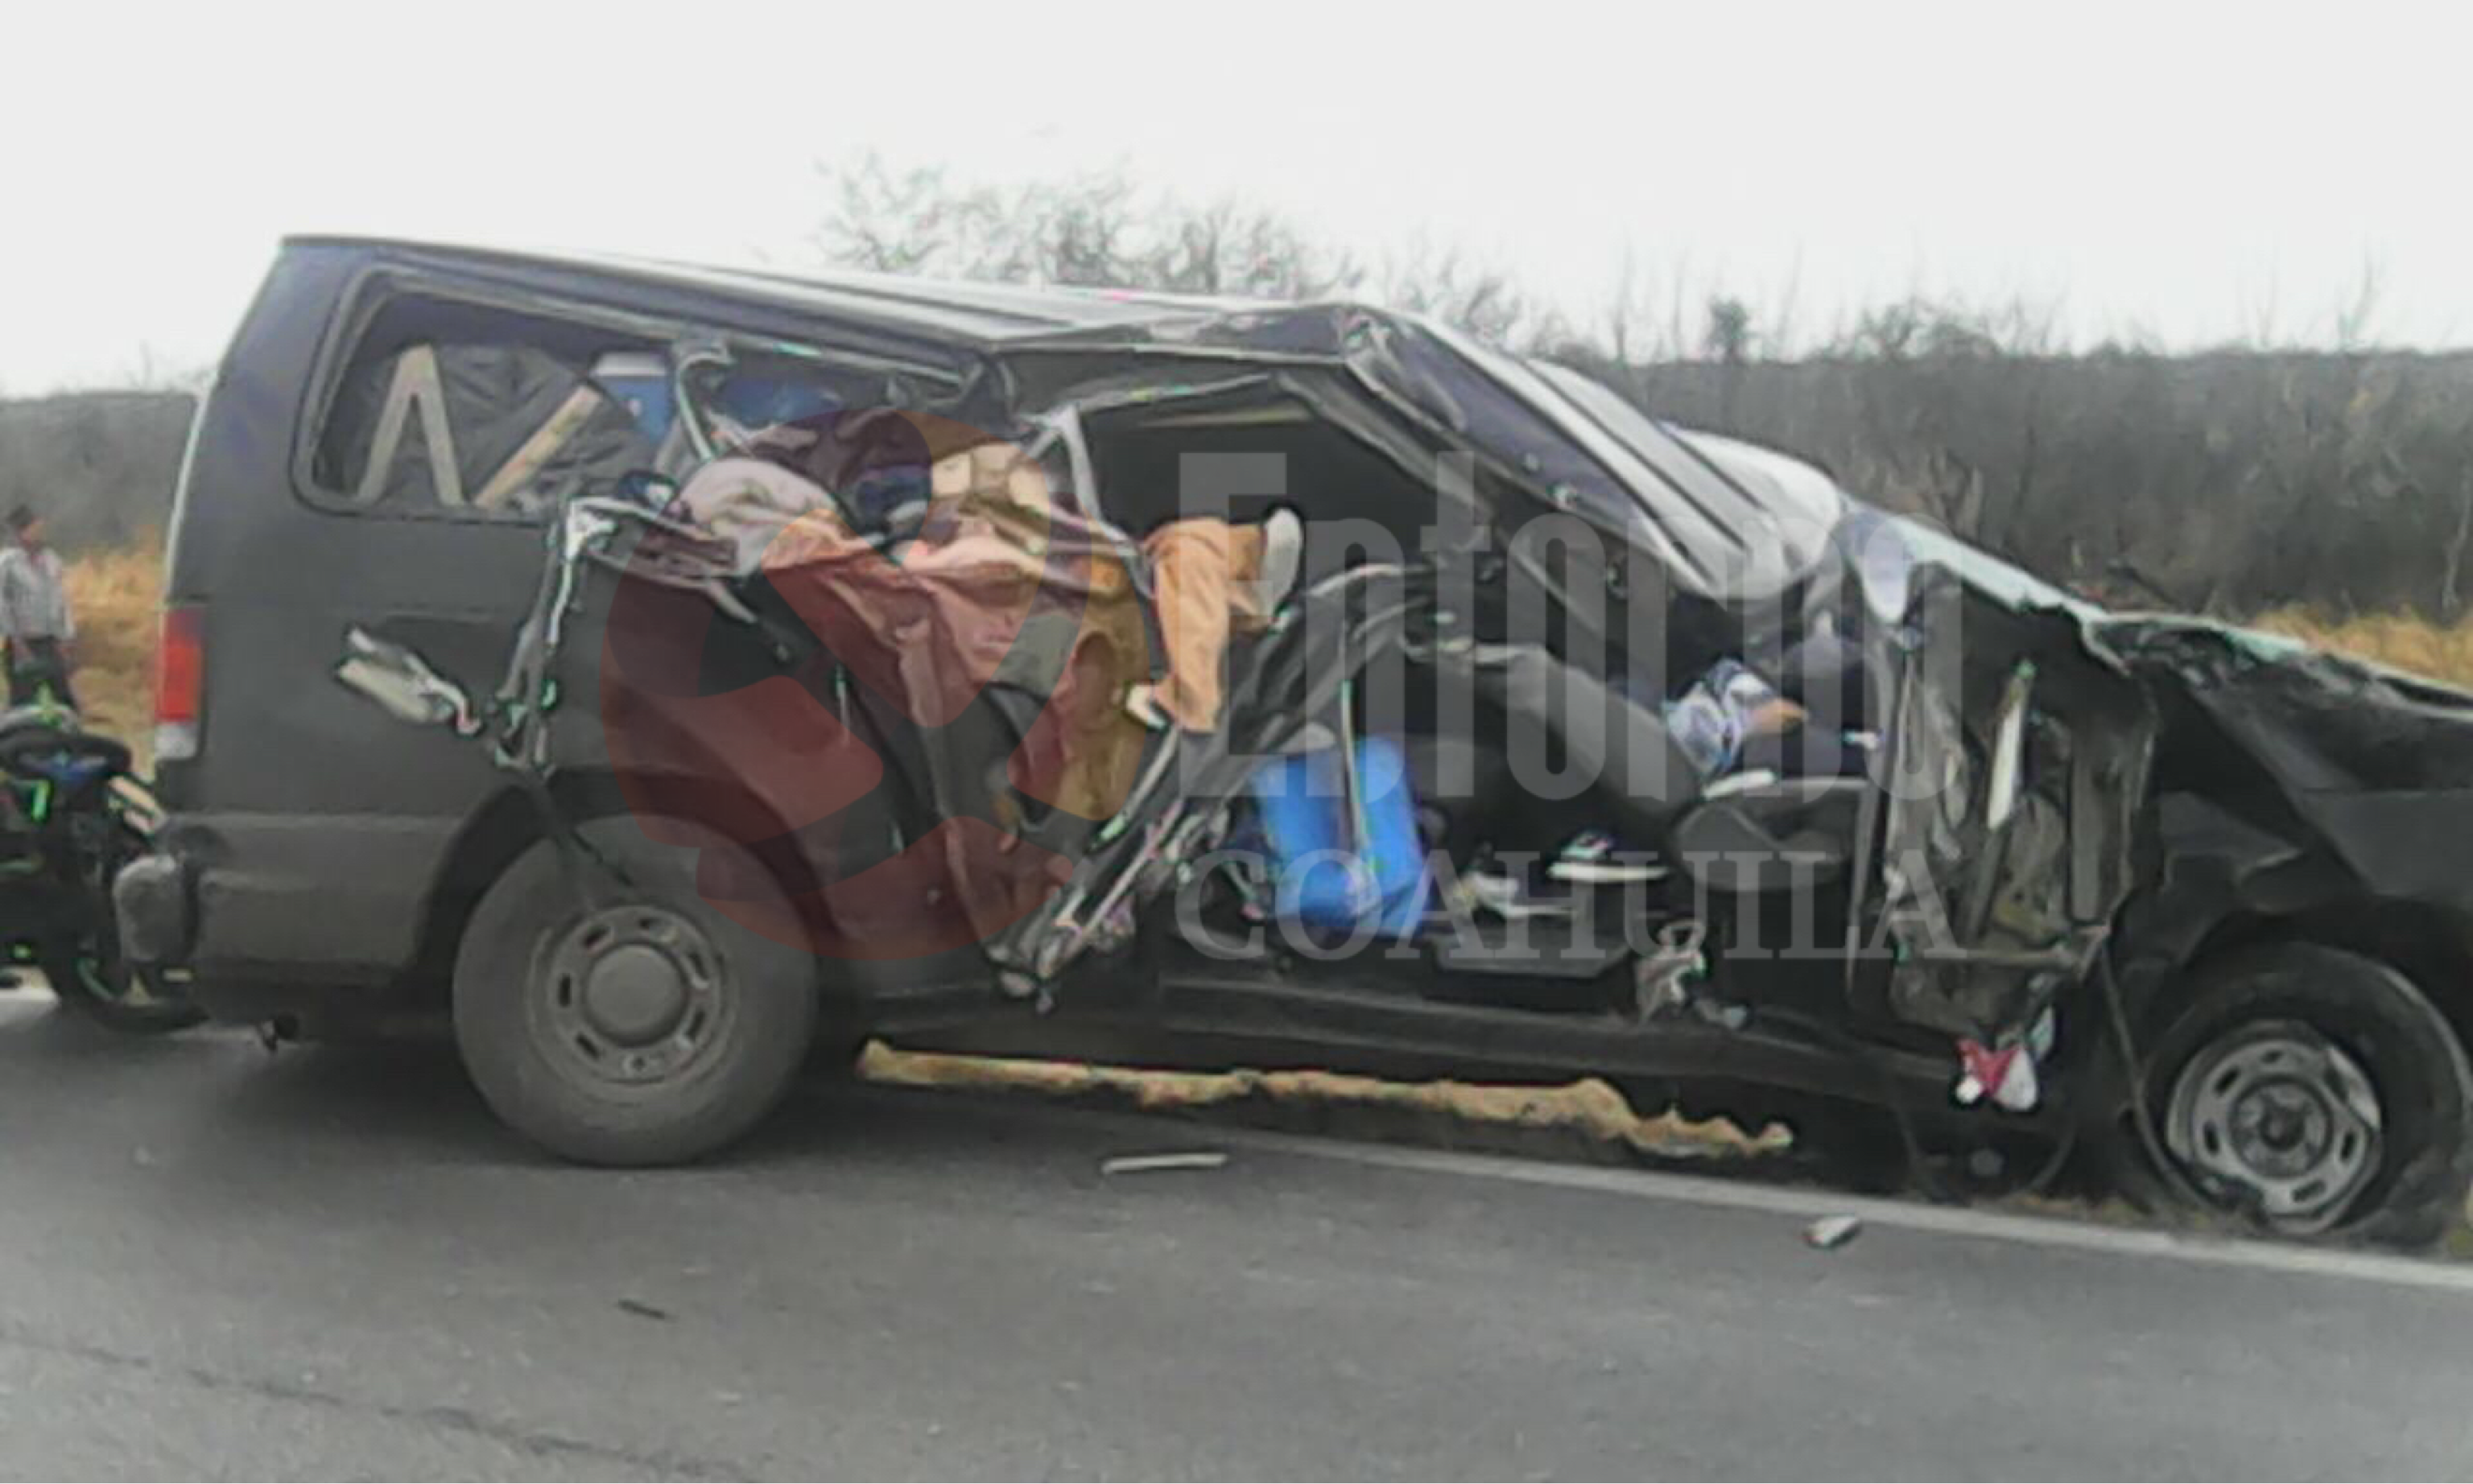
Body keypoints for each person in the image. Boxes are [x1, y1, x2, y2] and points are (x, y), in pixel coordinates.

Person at [0, 507, 76, 710]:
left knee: (64, 699)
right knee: (23, 700)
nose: (39, 534)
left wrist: (66, 636)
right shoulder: (8, 562)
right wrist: (16, 640)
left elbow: (61, 599)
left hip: (51, 641)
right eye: (33, 529)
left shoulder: (51, 559)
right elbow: (3, 605)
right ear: (21, 532)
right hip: (23, 642)